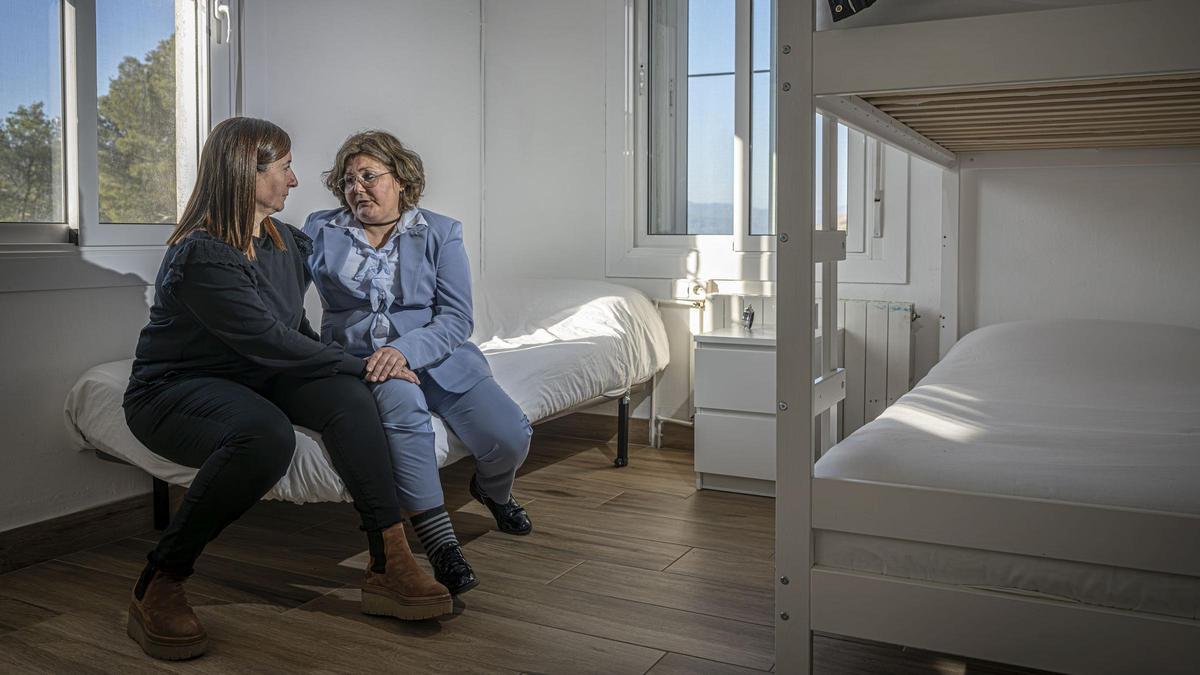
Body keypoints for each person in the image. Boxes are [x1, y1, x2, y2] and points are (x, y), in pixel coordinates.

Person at [122, 118, 450, 661]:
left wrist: (368, 366)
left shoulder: (285, 241)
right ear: (246, 174)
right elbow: (269, 340)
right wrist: (363, 360)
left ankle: (390, 560)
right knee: (265, 434)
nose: (295, 181)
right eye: (285, 167)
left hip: (258, 373)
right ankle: (160, 581)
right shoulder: (203, 253)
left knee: (349, 398)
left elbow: (295, 326)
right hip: (175, 389)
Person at [304, 130, 533, 595]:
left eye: (369, 176)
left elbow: (456, 318)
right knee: (405, 417)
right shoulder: (319, 229)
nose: (356, 188)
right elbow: (280, 288)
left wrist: (404, 350)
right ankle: (441, 544)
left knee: (509, 436)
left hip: (438, 357)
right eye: (348, 180)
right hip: (367, 363)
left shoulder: (442, 232)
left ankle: (494, 492)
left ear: (402, 181)